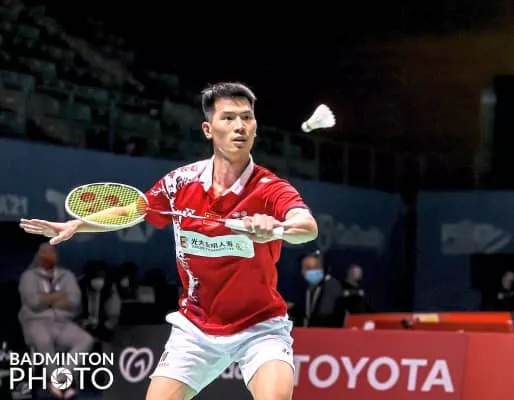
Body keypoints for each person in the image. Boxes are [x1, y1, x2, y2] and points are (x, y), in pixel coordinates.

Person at [19, 82, 319, 400]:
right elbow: (132, 211)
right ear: (208, 129)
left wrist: (277, 228)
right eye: (228, 118)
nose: (240, 126)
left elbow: (307, 226)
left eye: (247, 117)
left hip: (259, 326)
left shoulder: (269, 188)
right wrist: (77, 225)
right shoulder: (180, 184)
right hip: (197, 328)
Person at [18, 243, 94, 399]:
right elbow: (34, 302)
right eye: (44, 253)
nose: (48, 256)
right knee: (43, 339)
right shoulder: (28, 277)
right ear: (38, 256)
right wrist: (60, 296)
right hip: (36, 322)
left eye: (51, 252)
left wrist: (46, 300)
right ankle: (60, 385)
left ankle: (59, 379)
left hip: (63, 322)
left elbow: (74, 301)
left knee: (86, 339)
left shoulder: (67, 276)